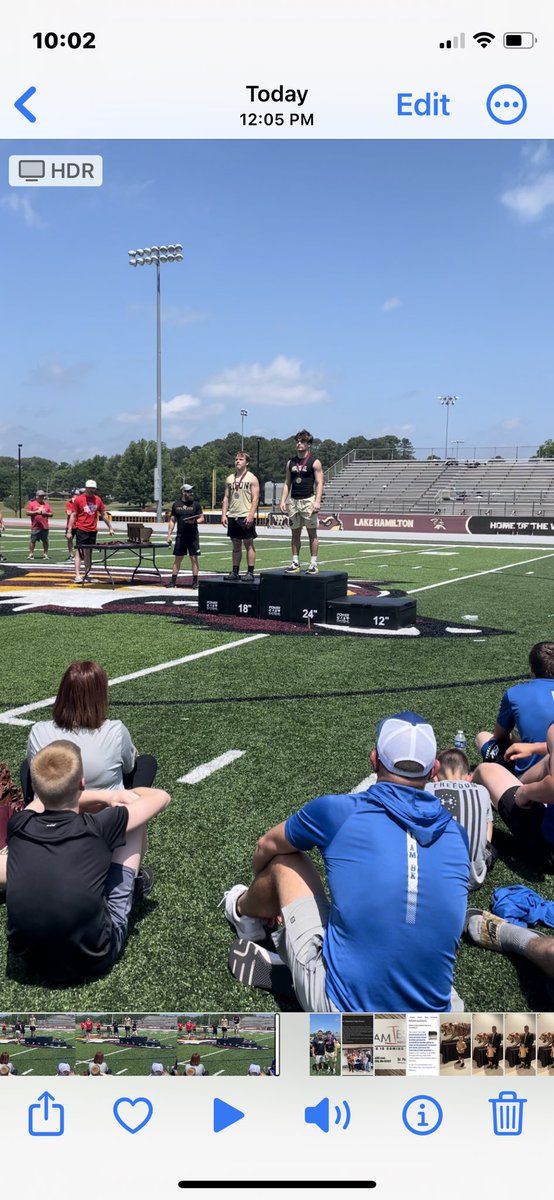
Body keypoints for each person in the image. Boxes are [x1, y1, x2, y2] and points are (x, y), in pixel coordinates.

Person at [224, 711, 470, 1012]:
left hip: (344, 1011)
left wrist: (267, 899)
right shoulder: (458, 836)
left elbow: (266, 845)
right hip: (432, 1023)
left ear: (373, 760)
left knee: (284, 861)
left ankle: (243, 914)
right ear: (434, 770)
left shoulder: (338, 811)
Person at [6, 740, 171, 984]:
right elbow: (161, 797)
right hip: (93, 955)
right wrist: (113, 796)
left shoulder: (18, 824)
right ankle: (134, 884)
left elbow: (38, 804)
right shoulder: (98, 827)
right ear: (82, 782)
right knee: (132, 822)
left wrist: (92, 797)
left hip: (29, 956)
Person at [24, 660, 157, 799]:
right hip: (106, 813)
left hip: (51, 811)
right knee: (146, 763)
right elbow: (128, 768)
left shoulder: (38, 731)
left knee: (28, 767)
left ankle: (30, 812)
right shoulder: (115, 730)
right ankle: (132, 807)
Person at [471, 721, 554, 871]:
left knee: (486, 769)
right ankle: (514, 782)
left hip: (547, 847)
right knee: (548, 760)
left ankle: (465, 793)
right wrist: (535, 748)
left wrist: (525, 793)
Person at [476, 642, 554, 776]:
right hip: (545, 757)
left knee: (482, 736)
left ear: (532, 669)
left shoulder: (515, 693)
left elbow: (500, 735)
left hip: (531, 778)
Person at [425, 747, 494, 889]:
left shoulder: (427, 789)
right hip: (473, 879)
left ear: (435, 776)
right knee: (488, 821)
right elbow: (488, 825)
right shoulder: (482, 791)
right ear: (469, 777)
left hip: (430, 878)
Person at [280, 430, 324, 575]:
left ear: (309, 444)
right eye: (297, 441)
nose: (299, 443)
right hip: (294, 501)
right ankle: (295, 562)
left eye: (303, 441)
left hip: (308, 500)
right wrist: (283, 500)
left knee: (312, 534)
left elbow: (319, 482)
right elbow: (287, 482)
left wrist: (317, 501)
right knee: (295, 534)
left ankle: (313, 563)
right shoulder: (290, 462)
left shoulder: (314, 462)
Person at [221, 452, 260, 582]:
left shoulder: (251, 478)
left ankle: (250, 572)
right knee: (235, 545)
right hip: (233, 515)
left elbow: (255, 498)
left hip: (245, 515)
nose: (238, 461)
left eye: (241, 459)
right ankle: (235, 571)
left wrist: (251, 514)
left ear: (247, 462)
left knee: (248, 543)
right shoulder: (229, 479)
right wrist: (223, 514)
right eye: (236, 459)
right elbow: (226, 497)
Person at [67, 479, 113, 584]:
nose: (92, 490)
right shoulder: (79, 499)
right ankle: (77, 575)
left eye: (93, 489)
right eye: (90, 488)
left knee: (89, 552)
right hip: (81, 528)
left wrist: (110, 526)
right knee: (79, 552)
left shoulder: (97, 499)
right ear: (86, 488)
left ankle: (87, 573)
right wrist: (69, 530)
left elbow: (103, 513)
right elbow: (73, 515)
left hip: (93, 529)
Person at [165, 483, 204, 589]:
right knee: (178, 558)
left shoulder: (196, 504)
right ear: (183, 492)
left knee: (194, 558)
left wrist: (194, 521)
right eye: (188, 491)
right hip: (181, 536)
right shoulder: (176, 504)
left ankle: (195, 582)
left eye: (191, 491)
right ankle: (173, 581)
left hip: (192, 536)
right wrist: (169, 534)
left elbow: (201, 518)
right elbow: (172, 520)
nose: (191, 493)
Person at [26, 489, 53, 561]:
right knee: (33, 540)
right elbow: (28, 512)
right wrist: (36, 512)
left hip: (44, 526)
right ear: (36, 496)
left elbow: (51, 514)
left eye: (43, 496)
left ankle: (45, 554)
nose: (42, 497)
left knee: (45, 541)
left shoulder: (46, 505)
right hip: (35, 526)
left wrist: (45, 513)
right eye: (40, 496)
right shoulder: (32, 504)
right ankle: (31, 554)